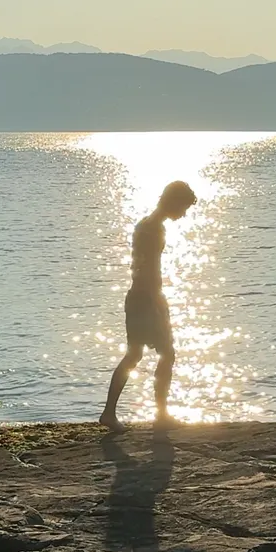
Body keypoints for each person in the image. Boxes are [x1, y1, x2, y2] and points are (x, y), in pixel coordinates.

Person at [100, 180, 197, 433]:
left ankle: (111, 412)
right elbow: (148, 268)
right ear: (172, 201)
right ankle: (159, 415)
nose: (183, 214)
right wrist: (156, 302)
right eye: (183, 207)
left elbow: (140, 266)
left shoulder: (147, 225)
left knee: (136, 354)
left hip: (140, 297)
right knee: (166, 353)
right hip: (146, 298)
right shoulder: (153, 229)